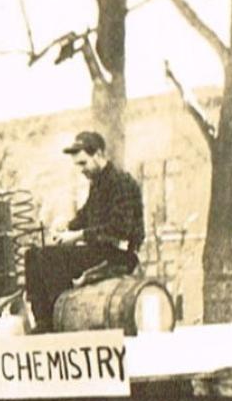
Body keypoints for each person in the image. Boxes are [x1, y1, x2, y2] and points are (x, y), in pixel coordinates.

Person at [24, 130, 145, 332]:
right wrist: (68, 225)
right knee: (32, 256)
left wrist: (77, 236)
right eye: (78, 165)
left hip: (118, 255)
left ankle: (58, 318)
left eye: (83, 163)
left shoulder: (122, 183)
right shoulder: (97, 184)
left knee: (52, 258)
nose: (81, 170)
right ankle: (42, 321)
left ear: (98, 155)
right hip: (98, 250)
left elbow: (119, 230)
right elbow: (86, 215)